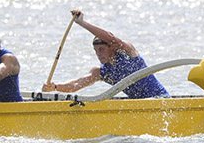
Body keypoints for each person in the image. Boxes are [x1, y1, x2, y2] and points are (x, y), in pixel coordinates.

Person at [42, 10, 170, 98]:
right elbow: (76, 85)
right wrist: (54, 87)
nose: (98, 54)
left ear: (112, 48)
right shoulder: (102, 72)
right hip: (139, 106)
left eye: (102, 49)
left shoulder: (128, 53)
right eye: (96, 51)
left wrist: (82, 23)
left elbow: (111, 38)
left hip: (161, 100)